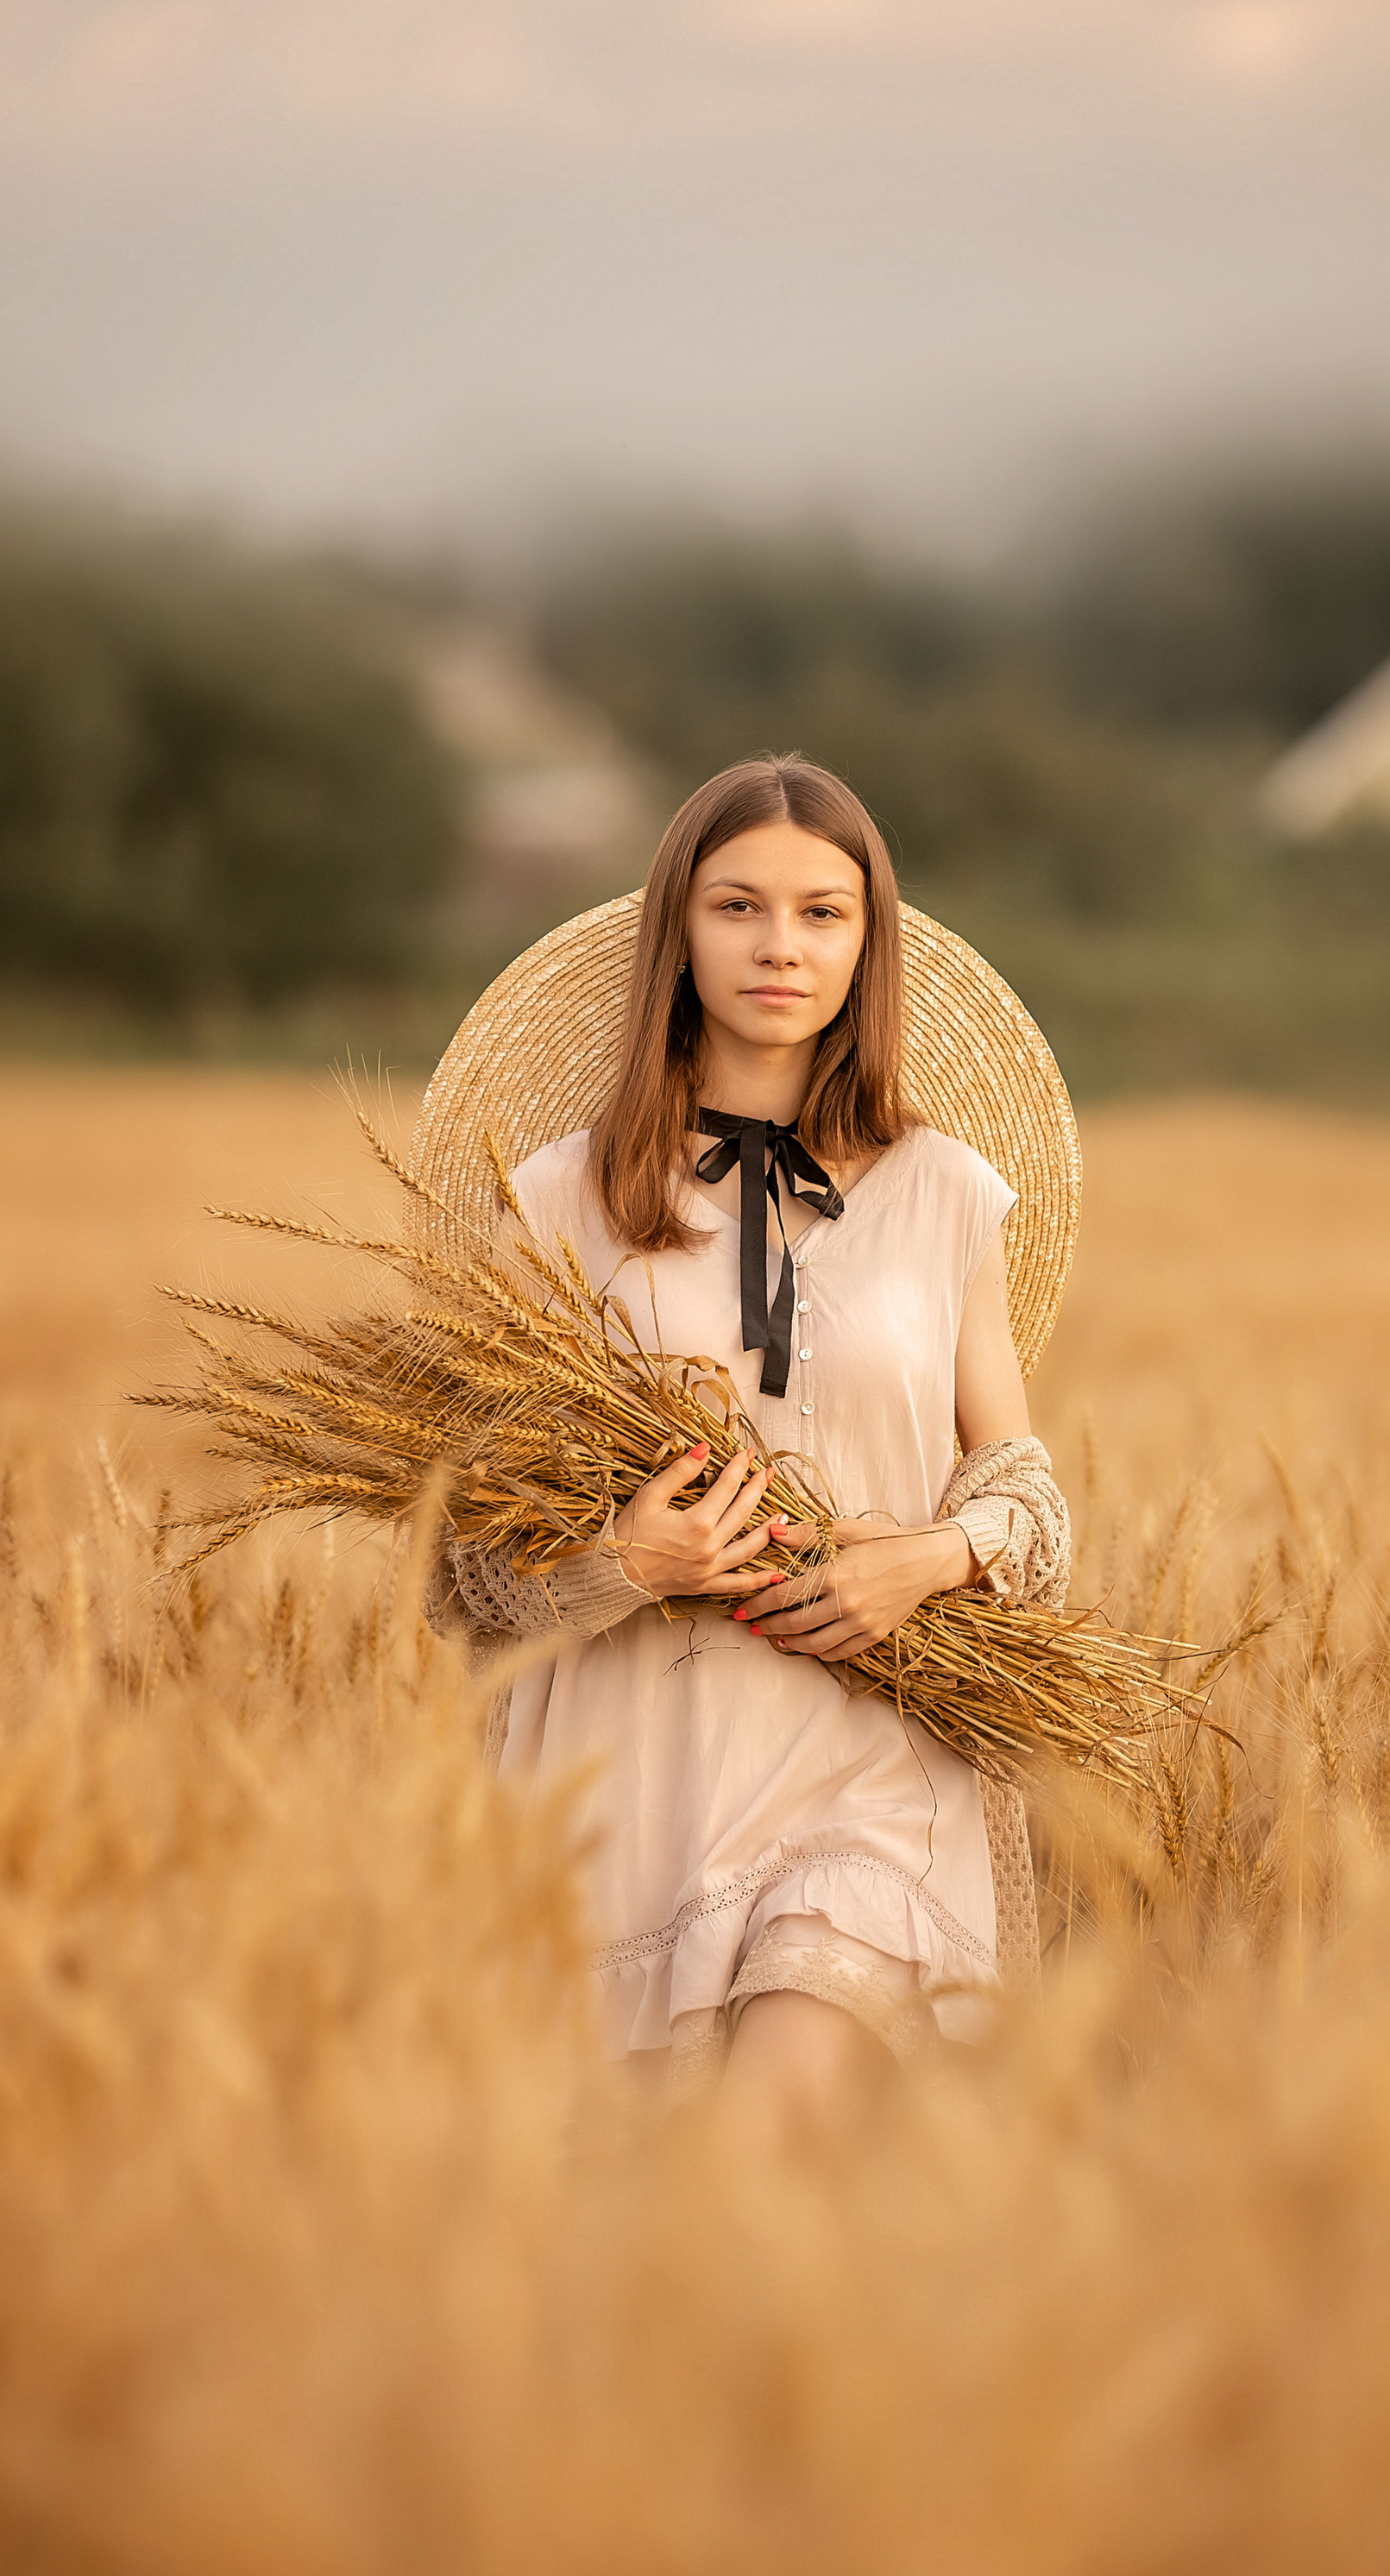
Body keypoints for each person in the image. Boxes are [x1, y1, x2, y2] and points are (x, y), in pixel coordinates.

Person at [425, 755, 1074, 2133]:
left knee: (772, 2129)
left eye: (823, 914)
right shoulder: (553, 1200)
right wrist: (625, 1562)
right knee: (661, 2239)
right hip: (624, 1771)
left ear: (866, 945)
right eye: (739, 907)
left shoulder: (948, 1194)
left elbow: (1028, 1496)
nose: (782, 946)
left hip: (874, 1751)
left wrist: (931, 1561)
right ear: (680, 931)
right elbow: (459, 1568)